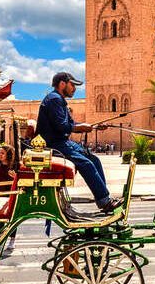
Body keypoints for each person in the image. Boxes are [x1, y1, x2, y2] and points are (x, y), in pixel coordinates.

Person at [37, 72, 121, 211]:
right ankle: (104, 201)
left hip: (62, 143)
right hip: (54, 144)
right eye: (72, 85)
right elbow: (62, 126)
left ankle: (104, 199)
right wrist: (81, 127)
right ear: (62, 84)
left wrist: (93, 126)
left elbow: (70, 123)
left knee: (94, 160)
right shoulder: (54, 100)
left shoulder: (59, 100)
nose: (74, 89)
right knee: (86, 164)